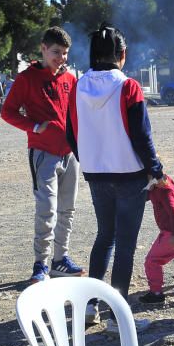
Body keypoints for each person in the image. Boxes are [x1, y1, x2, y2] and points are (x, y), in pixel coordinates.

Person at [66, 22, 163, 327]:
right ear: (122, 53)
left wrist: (89, 159)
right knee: (125, 243)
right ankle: (117, 316)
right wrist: (155, 169)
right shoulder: (128, 86)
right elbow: (141, 135)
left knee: (104, 236)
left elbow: (71, 132)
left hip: (96, 174)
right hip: (129, 174)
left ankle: (90, 306)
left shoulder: (77, 86)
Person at [1, 27, 85, 284]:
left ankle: (60, 260)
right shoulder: (26, 79)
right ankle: (41, 264)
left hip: (70, 154)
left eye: (65, 54)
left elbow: (77, 113)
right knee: (46, 209)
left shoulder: (70, 79)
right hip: (43, 153)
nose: (61, 59)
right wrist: (34, 127)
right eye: (56, 53)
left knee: (67, 210)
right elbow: (8, 112)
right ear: (43, 49)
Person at [139, 172, 174, 304]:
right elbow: (147, 195)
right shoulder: (162, 184)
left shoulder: (164, 191)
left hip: (172, 234)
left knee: (152, 261)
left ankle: (156, 293)